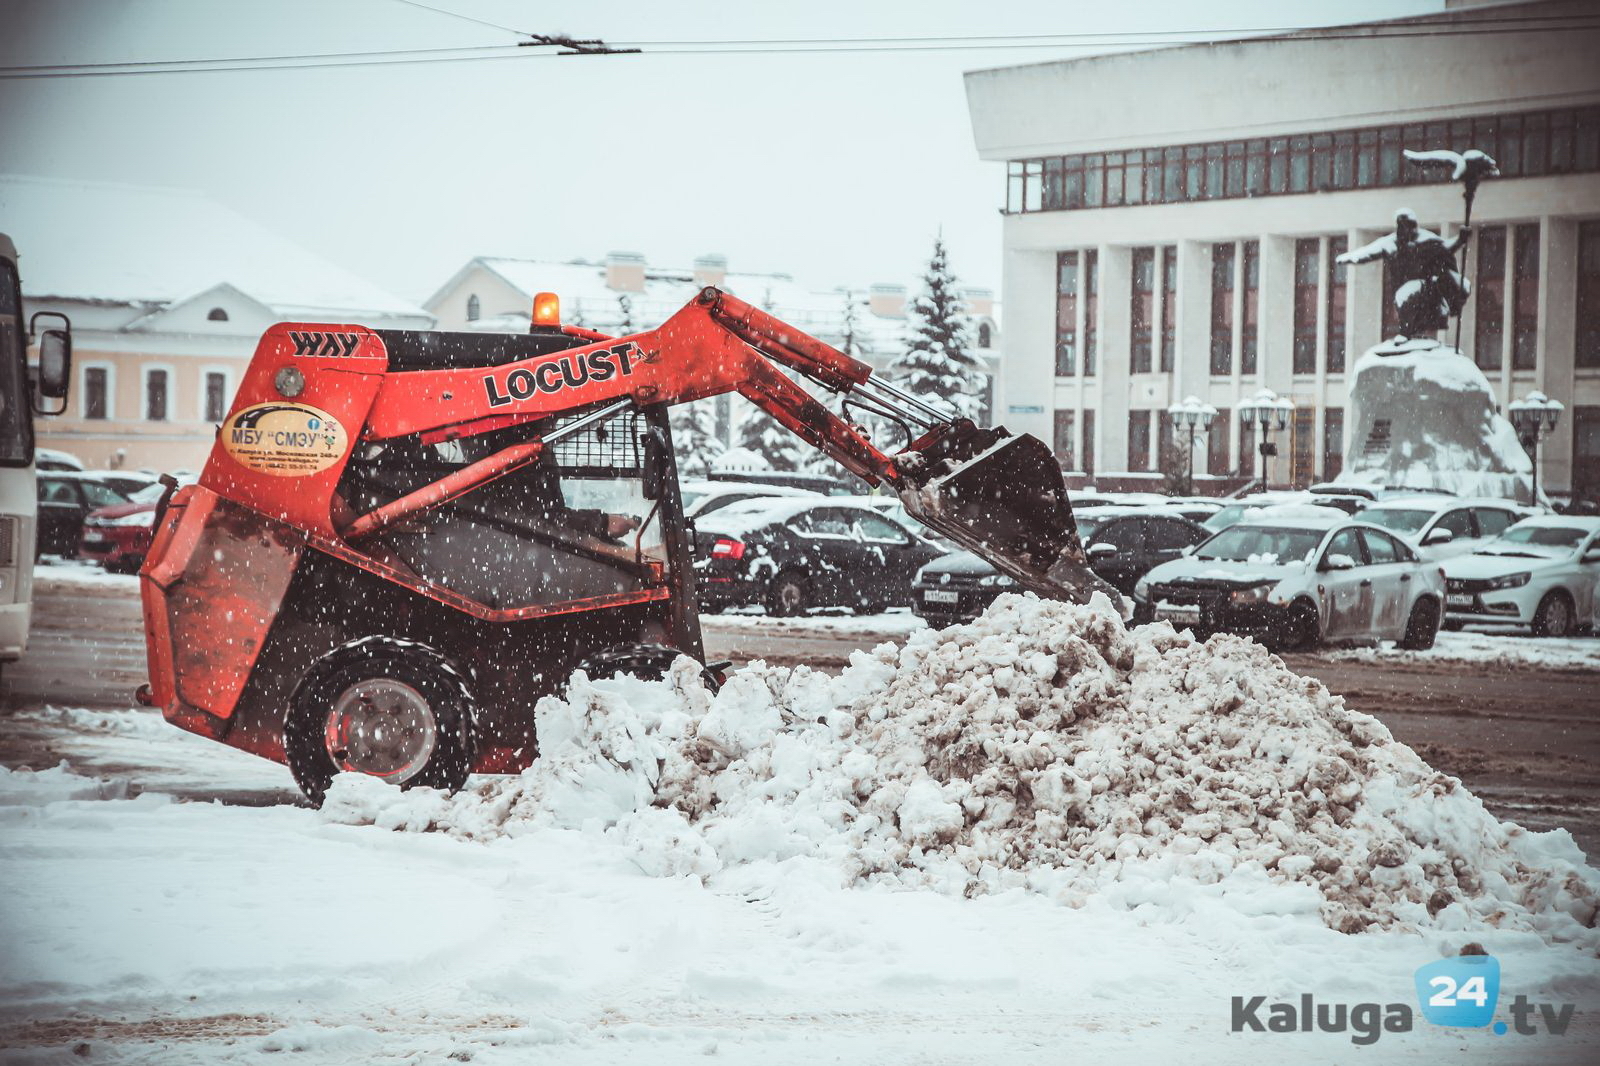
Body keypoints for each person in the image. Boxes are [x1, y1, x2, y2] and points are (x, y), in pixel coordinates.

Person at [1337, 209, 1471, 340]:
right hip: (1401, 287)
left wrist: (1460, 239)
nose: (1405, 230)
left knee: (1407, 299)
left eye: (1408, 226)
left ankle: (1407, 333)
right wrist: (1347, 258)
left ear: (1414, 226)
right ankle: (1409, 333)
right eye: (1402, 226)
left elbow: (1447, 248)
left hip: (1424, 286)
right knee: (1405, 303)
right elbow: (1367, 252)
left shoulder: (1427, 241)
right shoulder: (1390, 243)